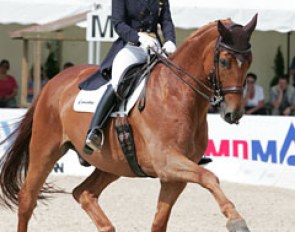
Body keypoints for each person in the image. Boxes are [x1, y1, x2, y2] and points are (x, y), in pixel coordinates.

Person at [84, 0, 177, 152]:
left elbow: (166, 20)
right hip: (131, 46)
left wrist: (170, 40)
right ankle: (95, 130)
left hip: (155, 46)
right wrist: (138, 37)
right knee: (118, 82)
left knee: (175, 81)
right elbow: (118, 23)